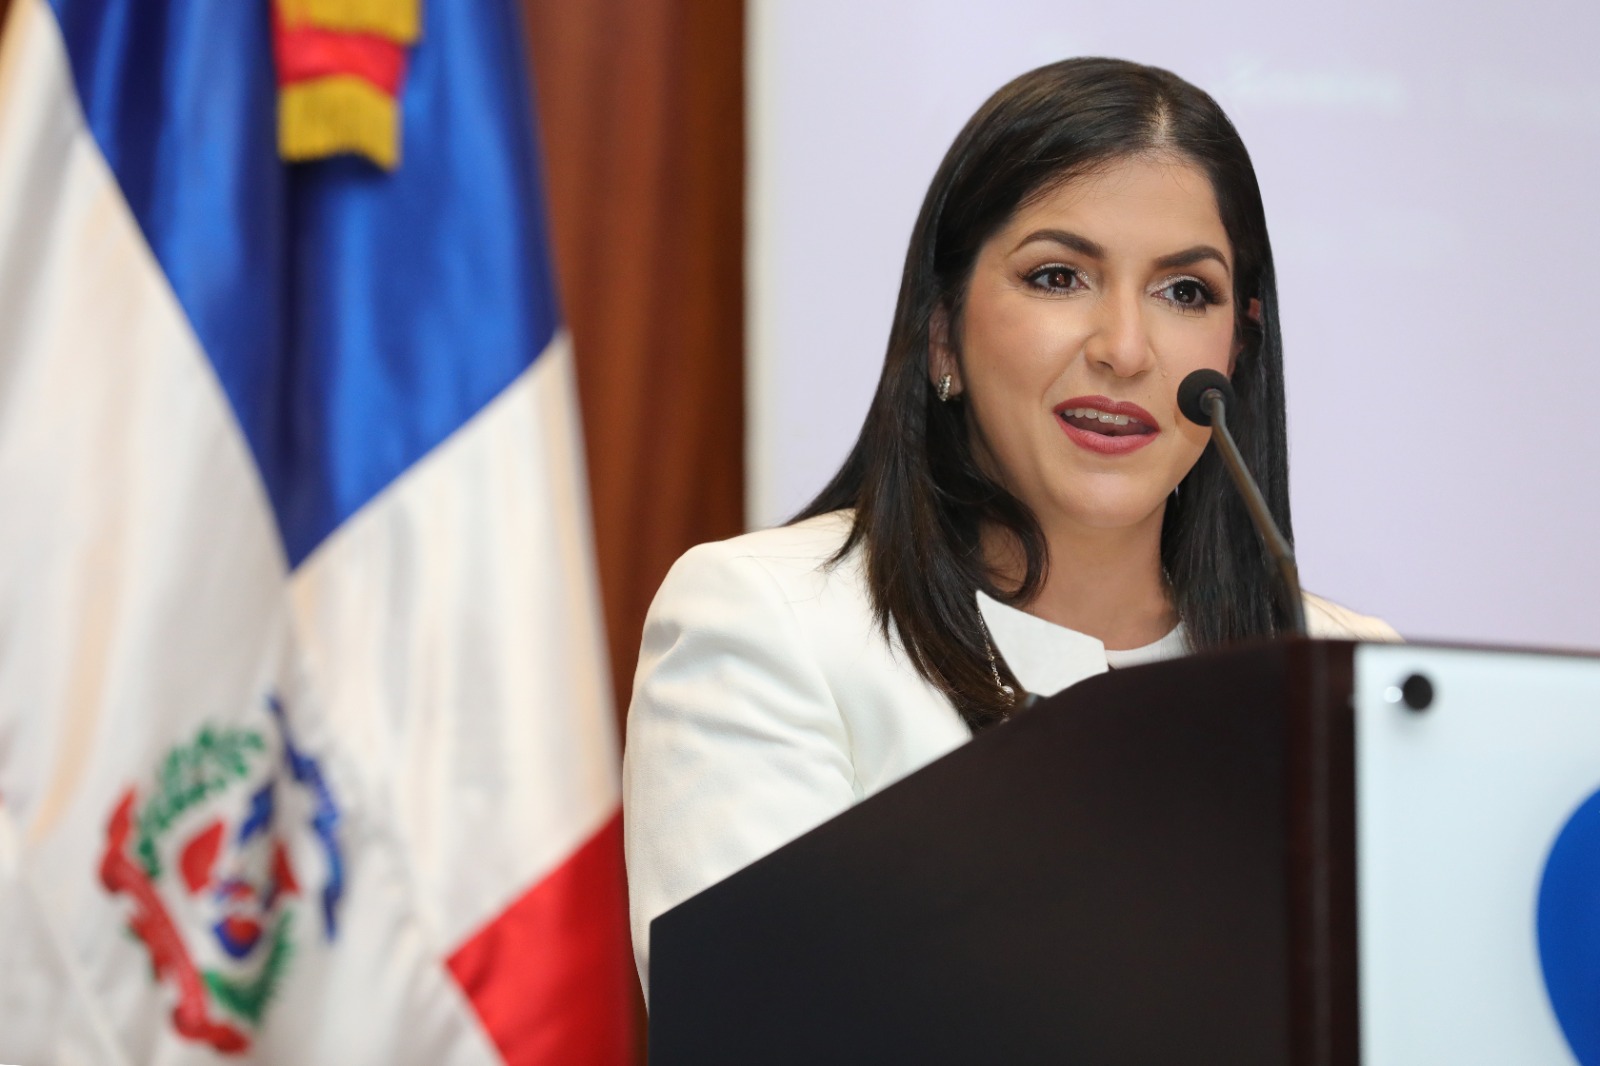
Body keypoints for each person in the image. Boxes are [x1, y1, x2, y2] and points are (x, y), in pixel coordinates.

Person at [622, 56, 1398, 994]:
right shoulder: (772, 623)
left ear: (1238, 348)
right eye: (1059, 276)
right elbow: (764, 1026)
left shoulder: (1351, 676)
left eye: (1185, 292)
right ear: (941, 334)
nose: (1124, 350)